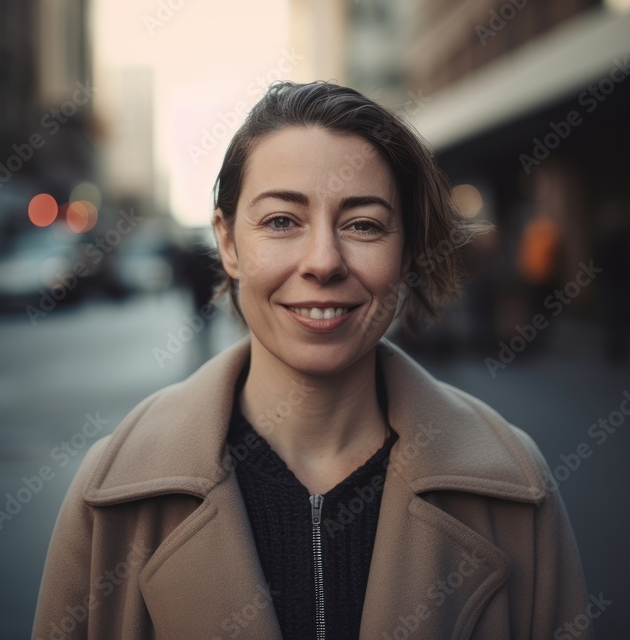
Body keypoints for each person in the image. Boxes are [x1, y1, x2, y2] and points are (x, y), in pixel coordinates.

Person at [32, 81, 592, 639]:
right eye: (281, 221)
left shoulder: (515, 489)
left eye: (364, 225)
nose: (323, 261)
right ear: (227, 244)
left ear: (407, 252)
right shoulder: (113, 497)